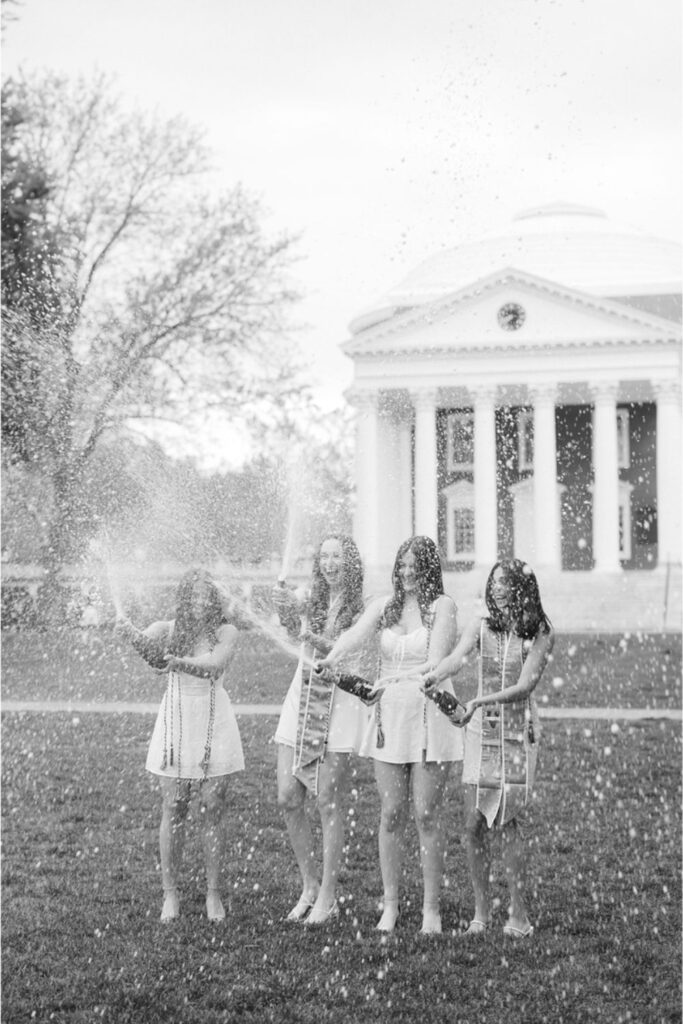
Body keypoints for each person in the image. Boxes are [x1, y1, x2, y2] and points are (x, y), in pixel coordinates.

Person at [317, 536, 461, 935]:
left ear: (429, 567)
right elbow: (354, 635)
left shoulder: (442, 607)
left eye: (415, 564)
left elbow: (436, 663)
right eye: (402, 564)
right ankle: (391, 904)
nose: (407, 571)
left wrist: (392, 679)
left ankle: (431, 909)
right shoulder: (384, 606)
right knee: (391, 813)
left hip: (430, 713)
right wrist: (331, 658)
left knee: (427, 814)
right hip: (390, 717)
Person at [422, 559, 554, 939]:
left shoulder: (541, 631)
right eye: (492, 582)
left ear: (520, 588)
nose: (496, 589)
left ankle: (519, 915)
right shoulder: (482, 626)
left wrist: (481, 702)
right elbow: (457, 657)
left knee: (509, 821)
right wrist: (436, 674)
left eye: (503, 583)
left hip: (515, 731)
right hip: (481, 733)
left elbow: (526, 686)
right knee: (474, 822)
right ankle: (481, 913)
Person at [115, 568, 244, 924]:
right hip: (175, 722)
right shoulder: (168, 629)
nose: (201, 601)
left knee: (213, 807)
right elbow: (147, 646)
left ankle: (213, 894)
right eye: (194, 594)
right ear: (184, 597)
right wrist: (129, 633)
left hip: (213, 719)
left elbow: (215, 666)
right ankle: (170, 894)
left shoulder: (226, 631)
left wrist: (180, 661)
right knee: (174, 807)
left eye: (207, 594)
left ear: (213, 598)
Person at [272, 535, 368, 926]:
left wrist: (317, 639)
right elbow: (288, 623)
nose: (330, 563)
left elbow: (353, 653)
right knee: (287, 796)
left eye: (337, 556)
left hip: (338, 705)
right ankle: (309, 885)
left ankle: (328, 894)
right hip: (301, 698)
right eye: (324, 556)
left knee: (329, 801)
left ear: (350, 562)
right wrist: (281, 607)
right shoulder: (309, 598)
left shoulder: (362, 607)